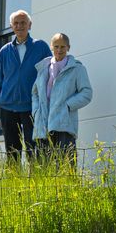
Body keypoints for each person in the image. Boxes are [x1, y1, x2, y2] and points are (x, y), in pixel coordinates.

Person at [0, 9, 51, 167]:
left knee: (34, 150)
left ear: (30, 25)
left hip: (32, 106)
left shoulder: (41, 47)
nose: (19, 26)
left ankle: (35, 185)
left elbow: (51, 74)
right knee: (12, 153)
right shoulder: (5, 51)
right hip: (7, 107)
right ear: (11, 26)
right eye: (16, 23)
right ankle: (13, 185)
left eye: (23, 23)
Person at [32, 32, 93, 168]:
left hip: (64, 124)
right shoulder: (43, 68)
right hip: (42, 125)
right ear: (51, 47)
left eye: (62, 47)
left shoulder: (77, 69)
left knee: (65, 166)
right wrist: (36, 111)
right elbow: (35, 93)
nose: (59, 50)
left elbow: (87, 93)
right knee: (43, 167)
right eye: (56, 46)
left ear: (68, 48)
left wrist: (68, 105)